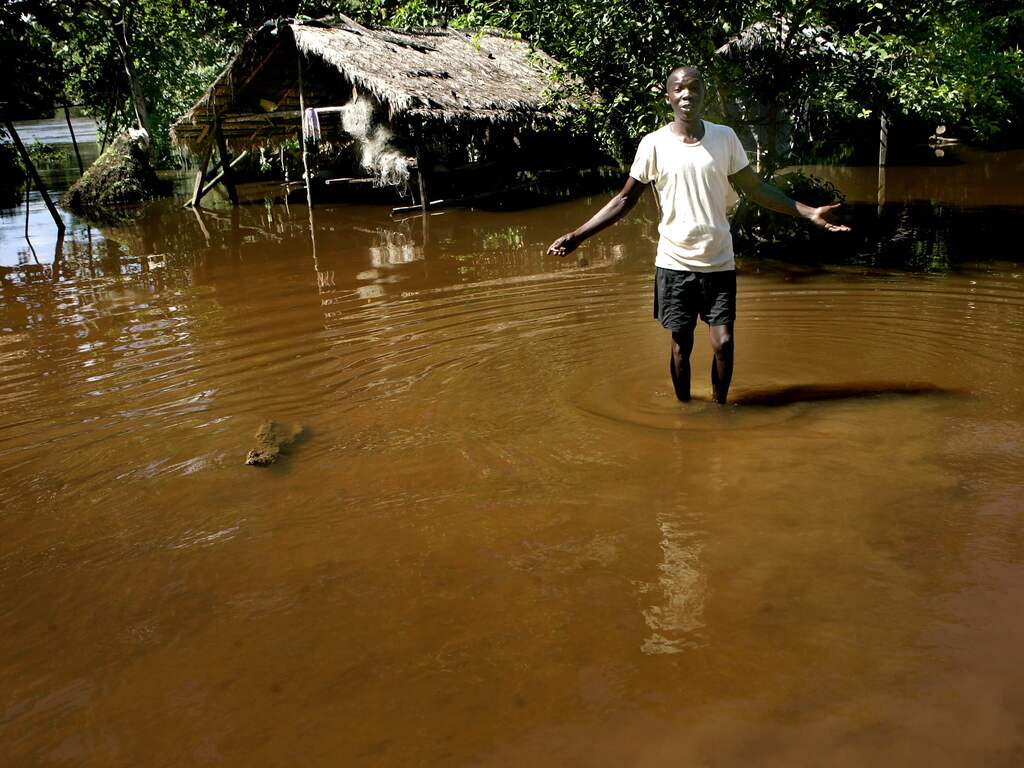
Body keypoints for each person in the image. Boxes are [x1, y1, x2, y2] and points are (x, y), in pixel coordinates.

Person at [547, 66, 849, 404]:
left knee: (724, 344)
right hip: (674, 262)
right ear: (668, 97)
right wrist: (578, 235)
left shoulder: (724, 138)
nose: (687, 94)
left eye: (694, 88)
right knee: (681, 347)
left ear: (704, 95)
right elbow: (624, 199)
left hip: (719, 259)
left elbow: (756, 188)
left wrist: (808, 211)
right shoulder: (654, 145)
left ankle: (720, 408)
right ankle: (685, 409)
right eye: (679, 89)